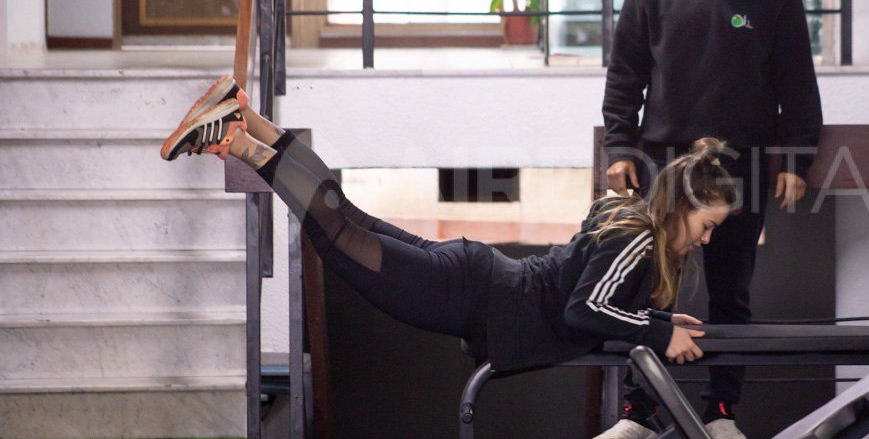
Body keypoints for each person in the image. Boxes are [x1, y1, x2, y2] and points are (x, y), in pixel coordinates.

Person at [161, 75, 737, 383]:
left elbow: (594, 297)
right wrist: (657, 331)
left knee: (344, 217)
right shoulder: (639, 237)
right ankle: (237, 139)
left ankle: (243, 112)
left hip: (475, 277)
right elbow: (584, 309)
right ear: (680, 208)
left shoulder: (630, 223)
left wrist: (660, 321)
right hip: (473, 290)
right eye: (706, 225)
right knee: (336, 236)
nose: (706, 241)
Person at [598, 0, 823, 439]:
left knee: (731, 293)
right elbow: (625, 75)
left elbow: (796, 81)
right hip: (664, 161)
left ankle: (721, 411)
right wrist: (619, 148)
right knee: (653, 288)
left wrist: (796, 159)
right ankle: (639, 411)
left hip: (741, 165)